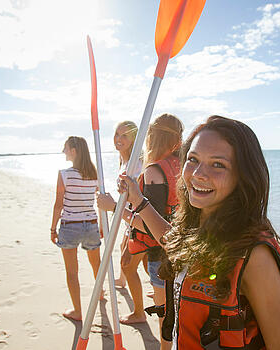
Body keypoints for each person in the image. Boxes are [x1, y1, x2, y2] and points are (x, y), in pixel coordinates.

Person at [117, 116, 280, 349]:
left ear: (243, 176)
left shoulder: (254, 257)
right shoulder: (199, 228)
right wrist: (139, 201)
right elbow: (173, 241)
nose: (199, 173)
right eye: (192, 159)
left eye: (218, 164)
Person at [98, 114, 183, 350]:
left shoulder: (155, 170)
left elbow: (150, 225)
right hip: (180, 246)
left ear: (151, 137)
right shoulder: (184, 165)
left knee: (165, 315)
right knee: (172, 306)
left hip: (161, 250)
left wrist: (115, 207)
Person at [50, 136, 102, 322]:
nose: (63, 151)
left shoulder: (64, 174)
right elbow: (100, 201)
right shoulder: (94, 173)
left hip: (70, 225)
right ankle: (100, 293)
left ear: (74, 150)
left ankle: (78, 311)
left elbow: (58, 205)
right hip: (91, 224)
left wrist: (52, 229)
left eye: (65, 148)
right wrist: (102, 226)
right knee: (97, 264)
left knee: (72, 272)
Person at [112, 120, 144, 288]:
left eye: (124, 135)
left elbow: (139, 193)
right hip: (127, 218)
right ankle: (121, 280)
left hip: (136, 219)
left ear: (133, 139)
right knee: (123, 248)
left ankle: (140, 311)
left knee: (131, 260)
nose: (119, 138)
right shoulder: (123, 161)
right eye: (117, 134)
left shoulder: (136, 164)